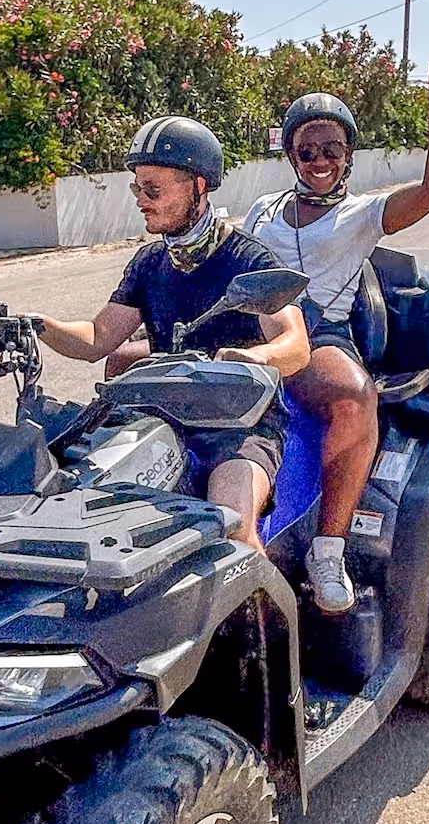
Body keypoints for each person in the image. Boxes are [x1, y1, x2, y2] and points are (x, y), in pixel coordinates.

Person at [242, 53, 429, 613]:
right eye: (308, 149)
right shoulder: (262, 209)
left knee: (355, 397)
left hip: (318, 331)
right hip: (250, 322)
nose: (320, 159)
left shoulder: (360, 213)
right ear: (291, 155)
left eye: (331, 148)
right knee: (136, 364)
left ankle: (328, 547)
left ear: (348, 155)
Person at [32, 117, 309, 557]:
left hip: (237, 425)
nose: (141, 201)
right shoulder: (149, 264)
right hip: (160, 415)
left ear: (198, 186)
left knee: (232, 529)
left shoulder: (248, 258)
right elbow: (98, 337)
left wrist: (258, 359)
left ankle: (262, 623)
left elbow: (296, 345)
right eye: (136, 189)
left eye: (153, 190)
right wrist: (36, 326)